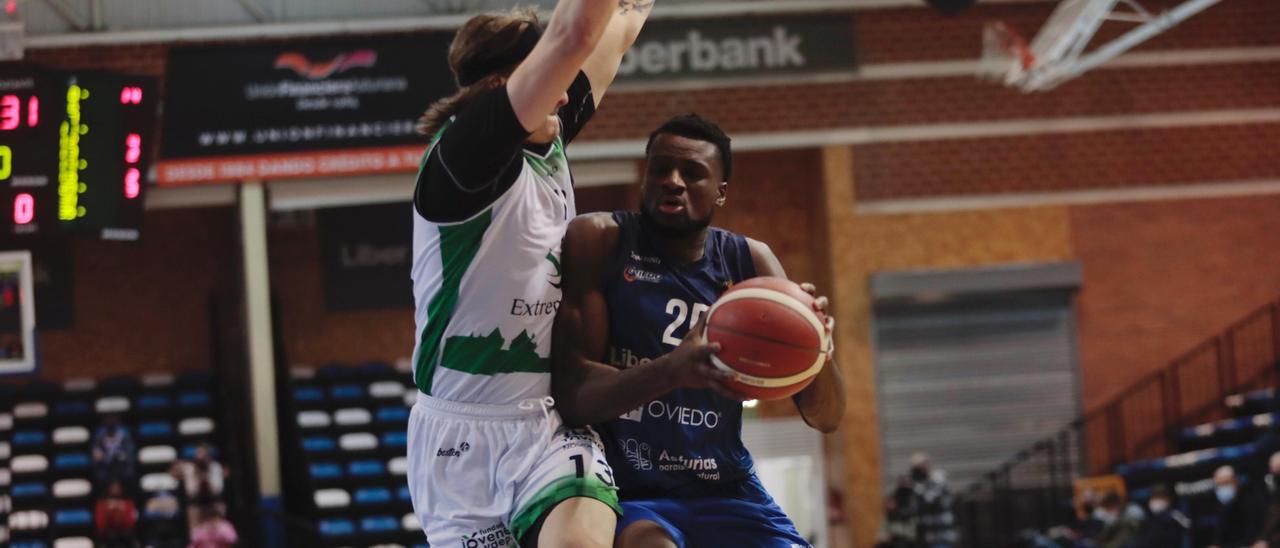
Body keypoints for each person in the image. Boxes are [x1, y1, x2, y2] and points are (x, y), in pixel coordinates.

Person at [406, 1, 653, 546]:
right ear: (503, 87)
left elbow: (621, 24)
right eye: (554, 79)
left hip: (546, 425)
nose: (567, 93)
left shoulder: (549, 131)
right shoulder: (464, 156)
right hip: (457, 439)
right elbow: (574, 33)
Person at [552, 113, 847, 547]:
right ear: (644, 177)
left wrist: (814, 346)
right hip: (627, 489)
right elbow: (572, 397)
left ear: (720, 192)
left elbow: (827, 417)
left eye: (692, 173)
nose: (673, 181)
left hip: (727, 490)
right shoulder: (600, 240)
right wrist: (672, 369)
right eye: (660, 169)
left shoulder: (750, 262)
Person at [907, 453, 959, 548]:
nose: (917, 472)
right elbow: (914, 508)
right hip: (927, 536)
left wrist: (918, 486)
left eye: (919, 468)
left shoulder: (938, 480)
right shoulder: (919, 484)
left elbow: (930, 501)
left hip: (942, 535)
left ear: (926, 465)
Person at [1209, 464, 1266, 548]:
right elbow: (1219, 535)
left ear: (1236, 481)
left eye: (1226, 483)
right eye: (1219, 485)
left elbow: (1253, 533)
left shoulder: (1250, 500)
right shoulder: (1221, 505)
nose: (1223, 488)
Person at [173, 443, 226, 530]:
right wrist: (176, 468)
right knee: (196, 530)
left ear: (208, 456)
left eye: (203, 454)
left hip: (213, 502)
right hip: (195, 503)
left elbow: (217, 490)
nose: (200, 457)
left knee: (217, 524)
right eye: (198, 454)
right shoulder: (189, 467)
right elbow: (175, 476)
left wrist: (206, 478)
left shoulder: (215, 467)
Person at [93, 414, 137, 490]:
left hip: (121, 466)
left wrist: (123, 458)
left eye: (112, 419)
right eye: (108, 420)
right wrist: (100, 456)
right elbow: (96, 451)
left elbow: (130, 452)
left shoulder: (124, 434)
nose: (110, 422)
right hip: (106, 467)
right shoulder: (100, 435)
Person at [95, 480, 139, 548]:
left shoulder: (129, 504)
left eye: (117, 487)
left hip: (126, 537)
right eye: (113, 487)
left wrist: (122, 511)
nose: (115, 490)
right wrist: (108, 511)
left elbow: (131, 523)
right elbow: (100, 525)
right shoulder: (101, 505)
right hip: (107, 537)